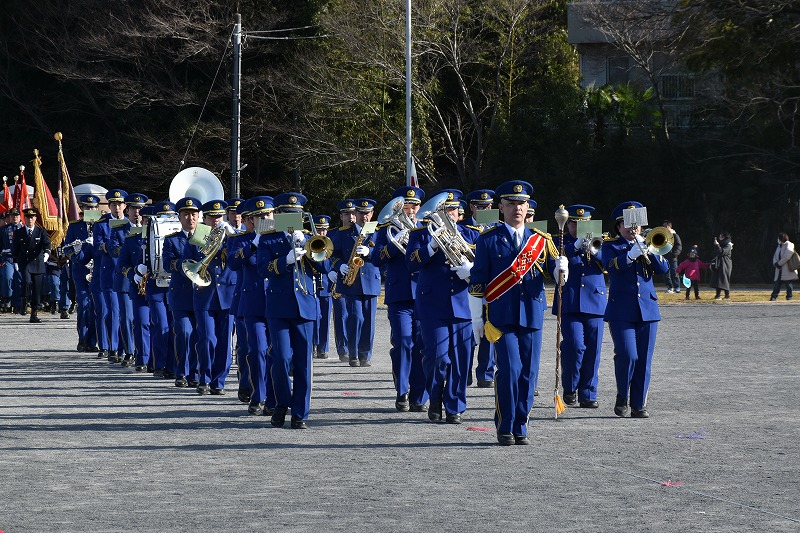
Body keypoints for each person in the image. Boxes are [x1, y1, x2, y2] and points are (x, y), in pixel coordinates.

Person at [469, 181, 565, 445]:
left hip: (532, 315)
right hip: (501, 316)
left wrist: (560, 269)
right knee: (510, 370)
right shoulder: (489, 240)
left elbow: (552, 275)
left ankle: (522, 424)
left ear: (528, 207)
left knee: (529, 374)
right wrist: (477, 317)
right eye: (511, 204)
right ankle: (505, 424)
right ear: (501, 207)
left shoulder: (541, 241)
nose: (517, 209)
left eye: (521, 204)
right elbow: (477, 281)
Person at [257, 192, 330, 429]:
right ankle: (281, 403)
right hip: (278, 307)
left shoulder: (309, 237)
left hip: (306, 306)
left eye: (296, 215)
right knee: (279, 358)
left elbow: (325, 267)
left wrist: (308, 246)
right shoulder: (268, 239)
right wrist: (285, 260)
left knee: (303, 363)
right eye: (288, 215)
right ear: (278, 216)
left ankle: (300, 413)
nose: (292, 219)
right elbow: (262, 270)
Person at [406, 189, 479, 425]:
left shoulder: (471, 234)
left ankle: (455, 405)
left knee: (461, 359)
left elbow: (483, 264)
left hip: (463, 304)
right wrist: (431, 248)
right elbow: (410, 262)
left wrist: (472, 268)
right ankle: (435, 397)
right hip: (432, 305)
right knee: (436, 357)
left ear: (460, 213)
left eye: (453, 210)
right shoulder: (421, 233)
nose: (450, 214)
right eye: (445, 210)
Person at [601, 201, 669, 419]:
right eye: (628, 225)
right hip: (621, 310)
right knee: (627, 355)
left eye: (637, 225)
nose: (634, 229)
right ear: (618, 227)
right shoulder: (610, 245)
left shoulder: (648, 243)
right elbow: (609, 266)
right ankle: (622, 394)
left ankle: (639, 404)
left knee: (644, 360)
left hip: (647, 309)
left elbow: (663, 269)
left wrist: (650, 250)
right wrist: (629, 256)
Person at [372, 186, 428, 412]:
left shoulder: (427, 228)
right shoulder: (386, 229)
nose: (411, 210)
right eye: (406, 206)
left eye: (414, 206)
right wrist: (395, 244)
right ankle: (402, 389)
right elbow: (376, 258)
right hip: (399, 295)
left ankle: (418, 397)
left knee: (422, 346)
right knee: (404, 341)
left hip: (424, 294)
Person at [551, 204, 606, 409]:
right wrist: (573, 249)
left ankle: (588, 393)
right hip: (570, 301)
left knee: (593, 350)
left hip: (595, 301)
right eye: (573, 222)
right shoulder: (559, 242)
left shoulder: (601, 241)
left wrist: (592, 247)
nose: (577, 227)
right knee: (574, 346)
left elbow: (607, 263)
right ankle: (570, 385)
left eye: (582, 223)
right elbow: (554, 267)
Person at [181, 200, 237, 395]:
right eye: (212, 217)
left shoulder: (232, 237)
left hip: (228, 294)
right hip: (204, 294)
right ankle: (203, 378)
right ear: (205, 219)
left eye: (219, 216)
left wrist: (232, 236)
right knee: (206, 339)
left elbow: (240, 258)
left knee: (224, 342)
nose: (216, 221)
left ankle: (218, 381)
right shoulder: (198, 237)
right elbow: (185, 263)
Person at [227, 196, 275, 415]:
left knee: (277, 353)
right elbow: (234, 262)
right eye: (259, 216)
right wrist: (254, 245)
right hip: (253, 303)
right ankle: (258, 395)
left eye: (267, 215)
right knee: (256, 350)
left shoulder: (281, 239)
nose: (264, 219)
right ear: (252, 220)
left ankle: (274, 397)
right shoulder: (241, 240)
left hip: (277, 303)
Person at [330, 198, 380, 367]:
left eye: (367, 214)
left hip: (371, 281)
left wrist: (370, 251)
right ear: (355, 214)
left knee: (369, 321)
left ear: (372, 214)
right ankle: (353, 354)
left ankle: (365, 355)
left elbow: (384, 254)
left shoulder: (378, 232)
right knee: (355, 317)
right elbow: (332, 254)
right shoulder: (344, 233)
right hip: (351, 282)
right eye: (360, 213)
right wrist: (339, 266)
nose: (364, 217)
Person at [161, 197, 201, 382]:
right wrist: (188, 265)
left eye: (193, 214)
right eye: (186, 214)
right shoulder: (172, 240)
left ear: (199, 216)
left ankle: (194, 373)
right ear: (179, 217)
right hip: (181, 293)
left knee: (198, 335)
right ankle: (182, 371)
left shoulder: (205, 238)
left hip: (202, 294)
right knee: (184, 333)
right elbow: (168, 264)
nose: (190, 218)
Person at [460, 189, 496, 388]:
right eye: (481, 207)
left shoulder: (498, 228)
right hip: (467, 286)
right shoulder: (461, 228)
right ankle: (464, 372)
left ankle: (486, 373)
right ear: (472, 207)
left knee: (488, 330)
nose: (486, 209)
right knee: (468, 332)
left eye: (489, 206)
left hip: (491, 287)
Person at [326, 200, 354, 362]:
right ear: (341, 216)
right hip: (339, 278)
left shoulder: (361, 231)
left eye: (352, 214)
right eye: (346, 214)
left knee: (356, 316)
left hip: (357, 279)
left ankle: (355, 348)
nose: (350, 217)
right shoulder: (333, 234)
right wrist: (331, 270)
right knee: (341, 314)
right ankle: (343, 349)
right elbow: (326, 256)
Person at [12, 207, 51, 323]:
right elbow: (15, 248)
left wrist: (46, 254)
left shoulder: (41, 231)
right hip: (25, 262)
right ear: (25, 219)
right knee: (26, 281)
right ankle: (24, 301)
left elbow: (47, 244)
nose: (30, 220)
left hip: (38, 262)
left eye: (32, 217)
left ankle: (34, 313)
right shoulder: (19, 232)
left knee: (37, 289)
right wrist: (15, 261)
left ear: (35, 219)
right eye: (28, 217)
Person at [312, 214, 332, 359]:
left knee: (325, 318)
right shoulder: (310, 242)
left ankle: (323, 347)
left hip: (326, 285)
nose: (322, 233)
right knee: (313, 317)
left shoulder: (330, 244)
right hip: (312, 286)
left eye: (324, 230)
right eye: (319, 230)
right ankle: (313, 344)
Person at [770, 232, 797, 301]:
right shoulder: (779, 246)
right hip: (779, 269)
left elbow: (787, 255)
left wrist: (780, 263)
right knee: (777, 283)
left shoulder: (789, 244)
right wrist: (775, 263)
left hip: (787, 268)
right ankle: (773, 297)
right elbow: (775, 256)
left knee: (788, 283)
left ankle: (789, 297)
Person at [710, 231, 733, 300]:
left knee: (724, 279)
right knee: (718, 279)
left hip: (726, 265)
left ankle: (727, 295)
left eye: (721, 236)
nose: (720, 238)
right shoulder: (722, 244)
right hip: (720, 264)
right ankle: (718, 295)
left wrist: (717, 245)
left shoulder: (728, 245)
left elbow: (721, 252)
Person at [662, 220, 683, 293]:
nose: (664, 228)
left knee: (675, 272)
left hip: (673, 258)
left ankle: (677, 287)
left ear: (669, 227)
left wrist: (674, 254)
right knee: (666, 273)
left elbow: (679, 246)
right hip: (665, 257)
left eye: (665, 226)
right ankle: (669, 287)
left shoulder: (675, 235)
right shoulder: (662, 235)